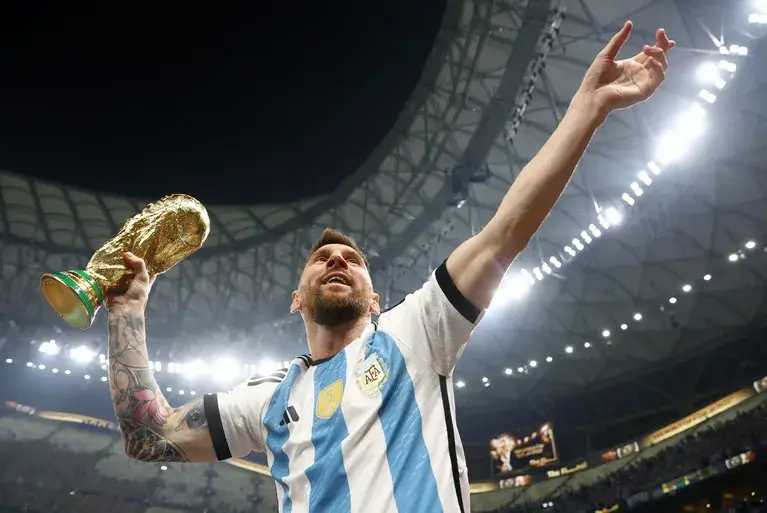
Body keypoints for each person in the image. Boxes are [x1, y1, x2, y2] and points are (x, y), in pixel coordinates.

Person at [106, 21, 674, 513]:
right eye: (321, 259)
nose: (337, 259)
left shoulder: (416, 331)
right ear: (296, 299)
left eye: (353, 260)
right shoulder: (266, 401)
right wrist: (127, 312)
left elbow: (505, 232)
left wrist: (588, 108)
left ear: (376, 301)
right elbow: (150, 437)